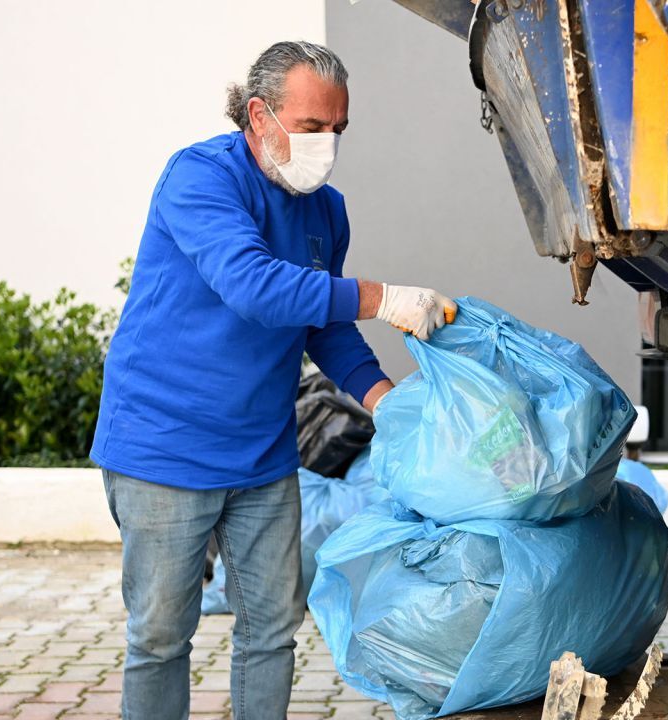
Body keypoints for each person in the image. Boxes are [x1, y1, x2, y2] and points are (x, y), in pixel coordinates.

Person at [89, 41, 456, 720]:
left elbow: (323, 325)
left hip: (261, 454)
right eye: (312, 128)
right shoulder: (200, 179)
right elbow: (254, 288)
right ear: (259, 115)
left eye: (338, 130)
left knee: (270, 633)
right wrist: (380, 296)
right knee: (163, 636)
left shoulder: (326, 211)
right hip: (164, 449)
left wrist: (387, 402)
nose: (328, 145)